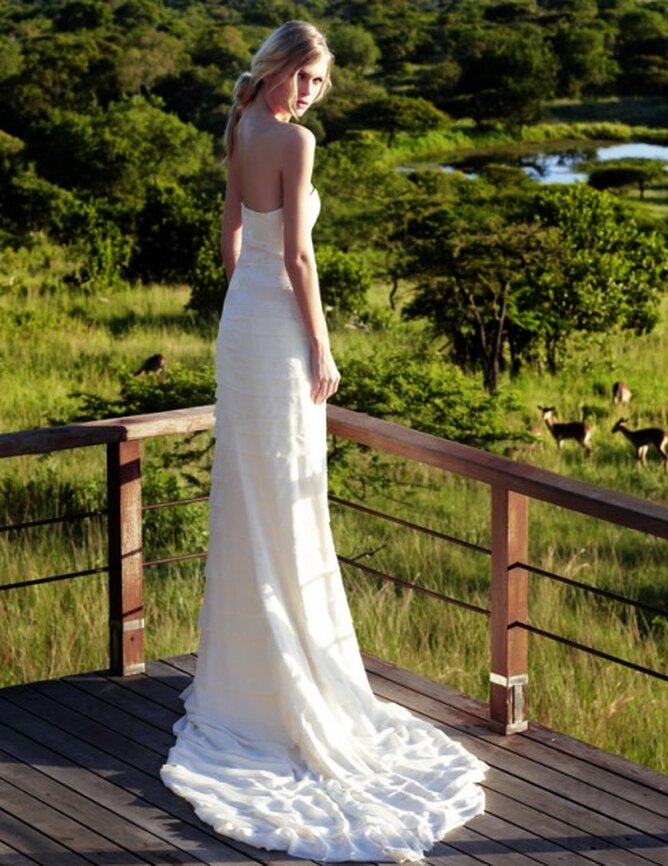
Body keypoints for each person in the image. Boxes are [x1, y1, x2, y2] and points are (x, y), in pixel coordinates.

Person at [160, 20, 486, 862]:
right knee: (281, 491)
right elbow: (301, 259)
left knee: (254, 491)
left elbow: (231, 231)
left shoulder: (238, 125)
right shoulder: (294, 143)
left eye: (317, 84)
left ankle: (248, 680)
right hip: (280, 325)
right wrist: (323, 346)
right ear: (278, 70)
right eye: (303, 77)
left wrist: (244, 297)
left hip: (244, 324)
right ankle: (279, 682)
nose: (309, 94)